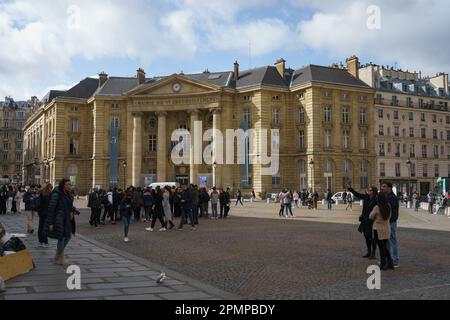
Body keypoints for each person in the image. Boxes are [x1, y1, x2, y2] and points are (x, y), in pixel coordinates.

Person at [45, 178, 75, 268]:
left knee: (68, 236)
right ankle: (61, 258)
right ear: (63, 185)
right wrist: (50, 223)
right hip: (58, 219)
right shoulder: (56, 194)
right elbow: (51, 209)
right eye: (68, 185)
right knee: (61, 237)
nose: (70, 186)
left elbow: (69, 205)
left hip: (66, 219)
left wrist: (73, 210)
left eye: (70, 184)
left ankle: (57, 254)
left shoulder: (68, 194)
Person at [348, 185, 378, 259]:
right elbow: (357, 194)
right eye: (369, 190)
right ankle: (368, 251)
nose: (369, 191)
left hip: (372, 220)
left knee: (372, 237)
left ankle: (373, 253)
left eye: (370, 190)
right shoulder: (366, 197)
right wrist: (351, 189)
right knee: (366, 236)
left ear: (374, 192)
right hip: (365, 220)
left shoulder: (376, 199)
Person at [369, 192, 394, 270]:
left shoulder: (377, 207)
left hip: (378, 229)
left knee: (381, 247)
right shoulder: (388, 206)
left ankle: (383, 263)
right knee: (385, 246)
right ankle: (390, 262)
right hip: (386, 228)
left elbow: (370, 216)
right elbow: (390, 216)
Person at [381, 182, 400, 267]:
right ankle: (388, 259)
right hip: (387, 221)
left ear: (389, 188)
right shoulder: (387, 196)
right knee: (387, 241)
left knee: (392, 241)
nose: (382, 188)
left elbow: (389, 210)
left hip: (391, 222)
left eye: (384, 186)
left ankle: (395, 260)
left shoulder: (392, 197)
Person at [37, 183, 52, 248]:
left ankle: (42, 241)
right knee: (44, 228)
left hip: (43, 213)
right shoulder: (46, 195)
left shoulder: (43, 194)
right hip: (45, 213)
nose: (51, 189)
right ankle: (44, 241)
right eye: (50, 188)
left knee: (42, 227)